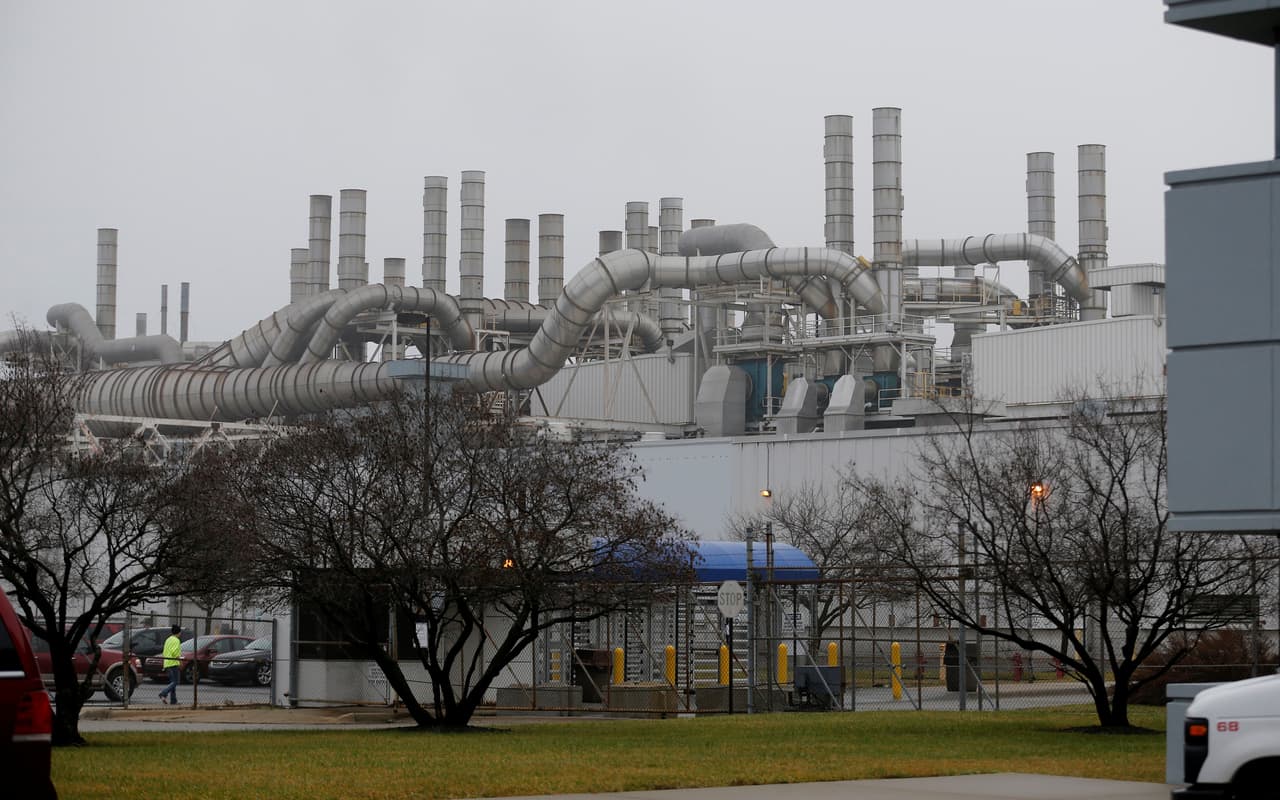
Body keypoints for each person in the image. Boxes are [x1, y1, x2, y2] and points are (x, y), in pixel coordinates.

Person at [158, 624, 182, 705]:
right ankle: (163, 693)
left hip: (167, 663)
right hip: (173, 663)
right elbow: (174, 652)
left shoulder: (168, 640)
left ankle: (173, 700)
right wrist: (179, 658)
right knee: (175, 682)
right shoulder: (176, 640)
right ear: (178, 633)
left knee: (172, 682)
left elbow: (164, 652)